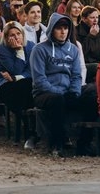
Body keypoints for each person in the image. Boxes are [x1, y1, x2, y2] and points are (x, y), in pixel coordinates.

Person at [29, 14, 83, 157]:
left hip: (67, 91)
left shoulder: (73, 50)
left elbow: (77, 75)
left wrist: (74, 92)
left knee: (90, 99)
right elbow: (39, 79)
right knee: (58, 101)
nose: (63, 31)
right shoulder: (39, 49)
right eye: (59, 28)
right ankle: (56, 144)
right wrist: (59, 93)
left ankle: (85, 144)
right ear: (52, 29)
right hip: (44, 93)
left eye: (66, 28)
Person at [0, 21, 35, 146]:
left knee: (27, 85)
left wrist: (16, 77)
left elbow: (31, 70)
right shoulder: (2, 49)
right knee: (20, 90)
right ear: (6, 37)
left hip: (21, 81)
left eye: (18, 33)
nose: (16, 37)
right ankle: (27, 128)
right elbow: (14, 68)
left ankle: (30, 128)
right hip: (5, 83)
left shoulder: (31, 46)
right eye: (12, 35)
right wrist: (19, 52)